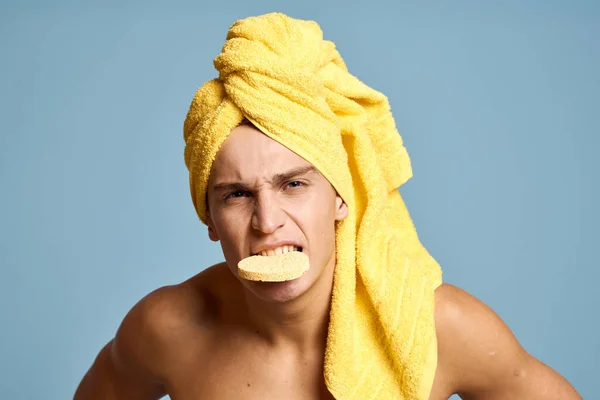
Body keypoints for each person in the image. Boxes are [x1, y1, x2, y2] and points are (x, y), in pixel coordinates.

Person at [74, 13, 581, 400]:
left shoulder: (440, 328)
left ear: (341, 197)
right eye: (237, 194)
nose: (268, 221)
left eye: (293, 184)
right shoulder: (167, 328)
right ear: (209, 218)